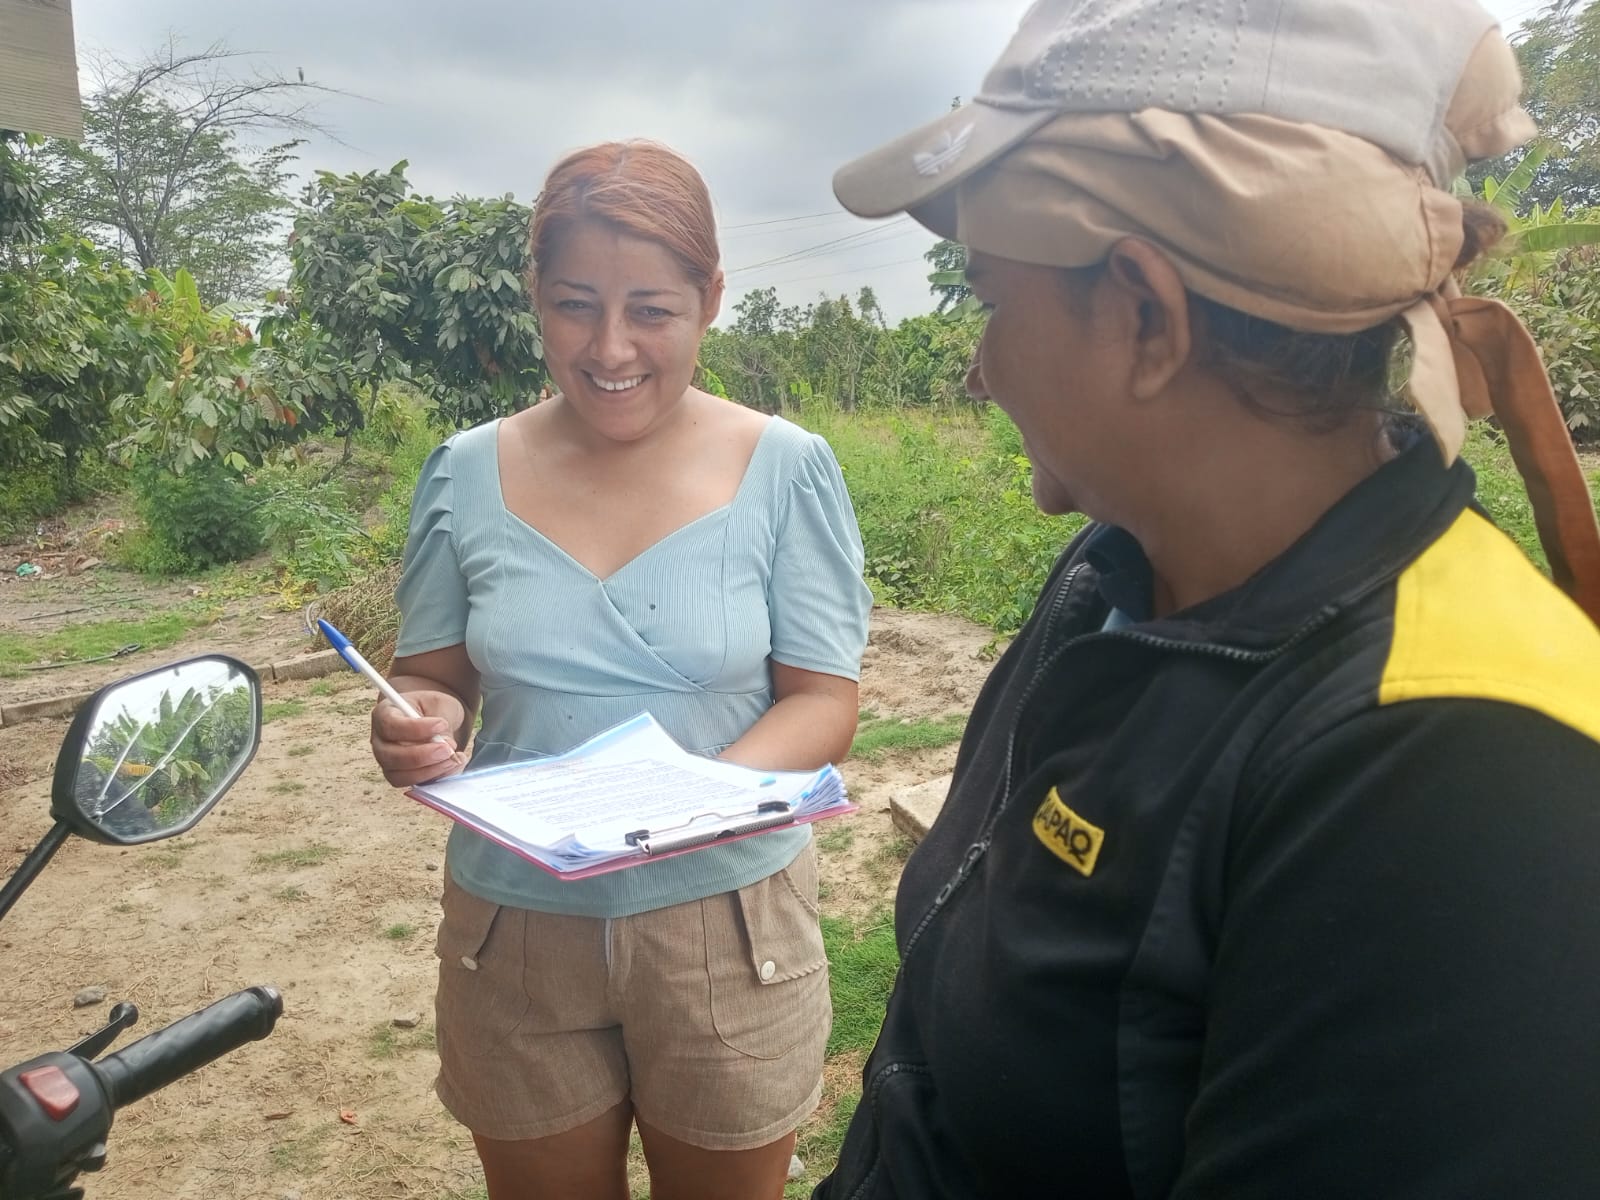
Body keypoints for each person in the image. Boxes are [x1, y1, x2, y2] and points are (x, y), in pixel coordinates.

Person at [816, 2, 1600, 1197]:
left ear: (1145, 315)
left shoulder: (1456, 765)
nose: (976, 369)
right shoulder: (1120, 574)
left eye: (989, 298)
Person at [370, 140, 872, 1200]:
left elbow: (824, 699)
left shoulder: (786, 468)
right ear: (534, 297)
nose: (609, 348)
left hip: (728, 923)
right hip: (514, 925)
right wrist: (417, 720)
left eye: (651, 310)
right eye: (574, 306)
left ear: (711, 299)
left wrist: (684, 801)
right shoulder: (463, 473)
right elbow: (432, 674)